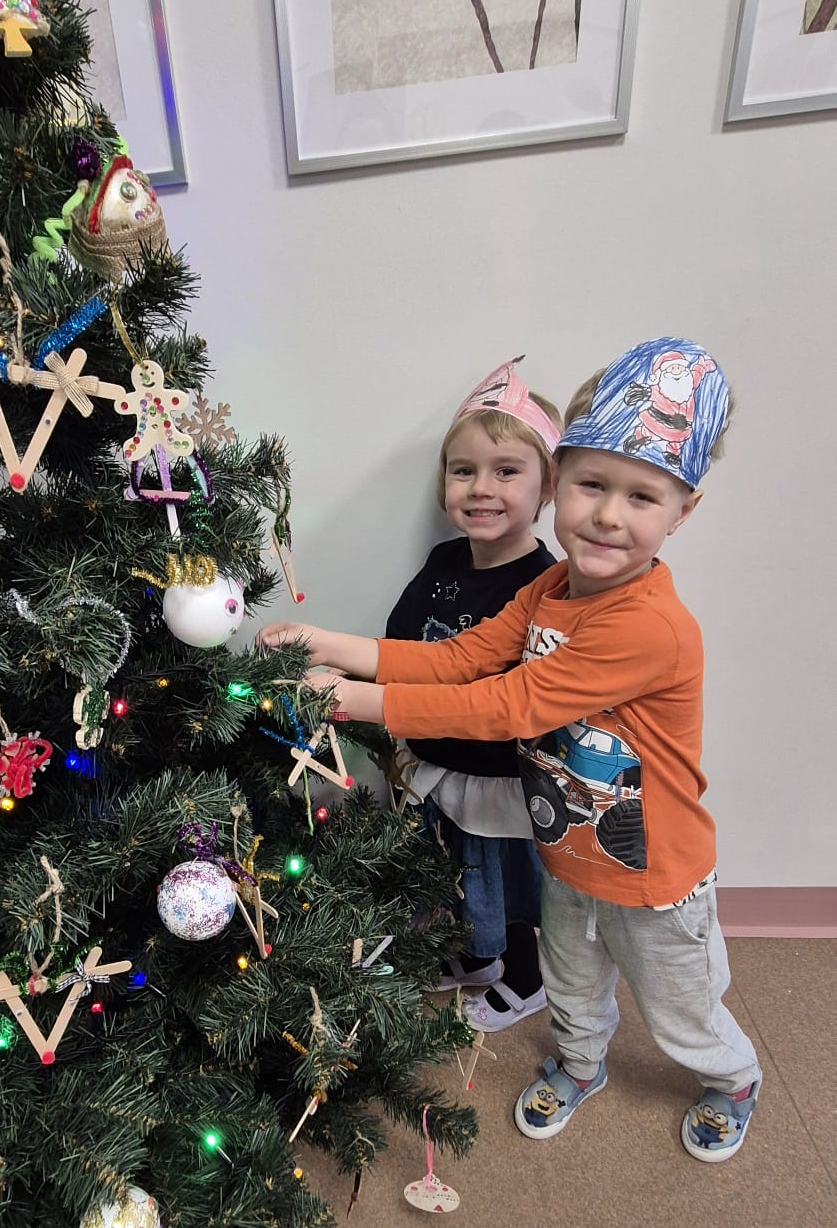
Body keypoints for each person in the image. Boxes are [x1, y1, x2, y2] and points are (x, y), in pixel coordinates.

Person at [260, 338, 761, 1164]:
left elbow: (507, 704)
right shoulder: (551, 585)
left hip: (656, 877)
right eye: (592, 485)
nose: (608, 515)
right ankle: (579, 1063)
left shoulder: (648, 625)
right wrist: (333, 644)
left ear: (682, 511)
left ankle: (734, 1079)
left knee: (679, 1007)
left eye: (641, 496)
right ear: (561, 481)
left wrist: (350, 700)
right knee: (569, 984)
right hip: (568, 852)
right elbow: (464, 657)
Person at [383, 359, 562, 1029]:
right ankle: (477, 957)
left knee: (502, 883)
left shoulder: (544, 585)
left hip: (497, 779)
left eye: (506, 471)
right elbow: (401, 639)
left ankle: (525, 977)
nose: (481, 488)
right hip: (437, 762)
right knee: (456, 873)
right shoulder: (445, 562)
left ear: (546, 487)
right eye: (464, 471)